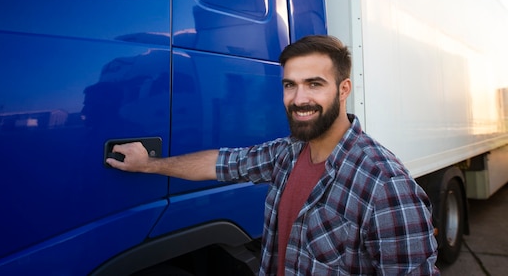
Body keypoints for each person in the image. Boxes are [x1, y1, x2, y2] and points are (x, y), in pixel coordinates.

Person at [106, 35, 440, 275]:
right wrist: (149, 164)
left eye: (314, 84)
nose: (298, 98)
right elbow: (219, 164)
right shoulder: (288, 153)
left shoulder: (384, 184)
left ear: (343, 90)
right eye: (289, 85)